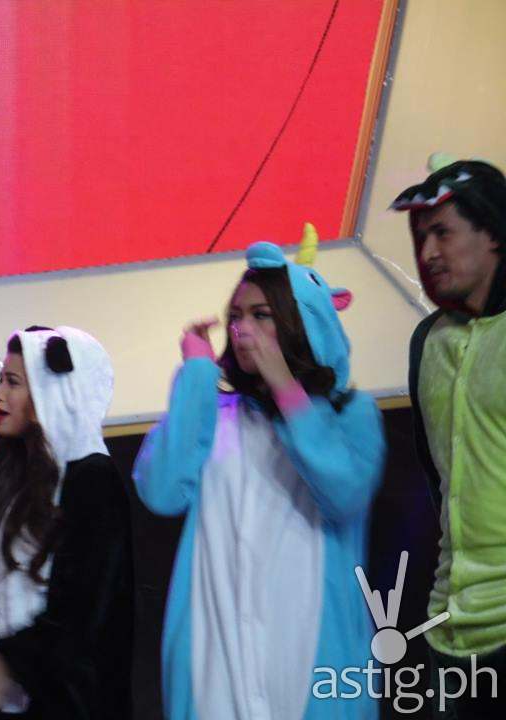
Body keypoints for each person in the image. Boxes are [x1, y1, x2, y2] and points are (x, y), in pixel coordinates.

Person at [134, 241, 385, 720]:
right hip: (219, 656)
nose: (241, 328)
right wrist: (196, 374)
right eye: (235, 316)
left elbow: (344, 493)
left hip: (306, 656)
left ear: (300, 321)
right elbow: (161, 492)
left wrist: (286, 387)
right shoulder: (217, 413)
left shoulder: (350, 413)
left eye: (261, 315)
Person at [0, 325, 133, 719]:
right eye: (0, 379)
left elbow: (87, 605)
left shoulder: (91, 477)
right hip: (2, 702)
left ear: (50, 390)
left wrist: (9, 661)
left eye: (13, 382)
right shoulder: (3, 470)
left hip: (65, 703)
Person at [391, 158, 506, 718]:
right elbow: (438, 478)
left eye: (442, 232)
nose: (427, 252)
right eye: (419, 237)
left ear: (494, 234)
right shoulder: (427, 341)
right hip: (449, 629)